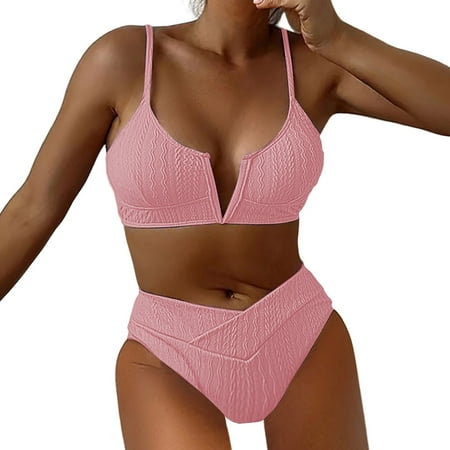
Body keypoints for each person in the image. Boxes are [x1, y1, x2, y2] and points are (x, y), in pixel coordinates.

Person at [1, 0, 449, 448]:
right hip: (168, 348)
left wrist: (339, 38)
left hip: (300, 332)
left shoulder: (317, 63)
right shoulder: (124, 58)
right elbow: (33, 208)